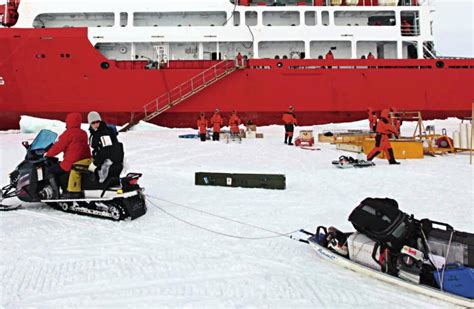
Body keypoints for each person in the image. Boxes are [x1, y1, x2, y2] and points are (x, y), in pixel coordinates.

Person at [45, 112, 91, 199]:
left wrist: (48, 154)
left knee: (50, 170)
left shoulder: (68, 133)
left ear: (69, 121)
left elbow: (58, 147)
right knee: (60, 165)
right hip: (83, 160)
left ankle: (56, 193)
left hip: (71, 162)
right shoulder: (83, 133)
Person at [87, 111, 124, 184]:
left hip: (109, 162)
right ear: (90, 124)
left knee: (90, 170)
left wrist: (95, 163)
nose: (96, 124)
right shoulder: (95, 132)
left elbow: (107, 150)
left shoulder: (104, 133)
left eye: (97, 122)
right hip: (104, 160)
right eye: (93, 123)